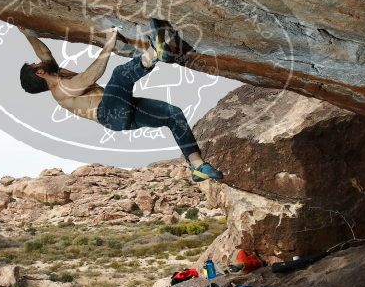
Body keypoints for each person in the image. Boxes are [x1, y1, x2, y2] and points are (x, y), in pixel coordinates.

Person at [18, 19, 224, 182]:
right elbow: (90, 76)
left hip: (119, 114)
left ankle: (198, 166)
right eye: (35, 64)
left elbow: (44, 53)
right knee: (119, 75)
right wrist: (109, 42)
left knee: (173, 114)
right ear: (40, 73)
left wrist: (25, 32)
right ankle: (155, 53)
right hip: (109, 113)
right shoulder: (61, 89)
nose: (38, 59)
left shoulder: (54, 72)